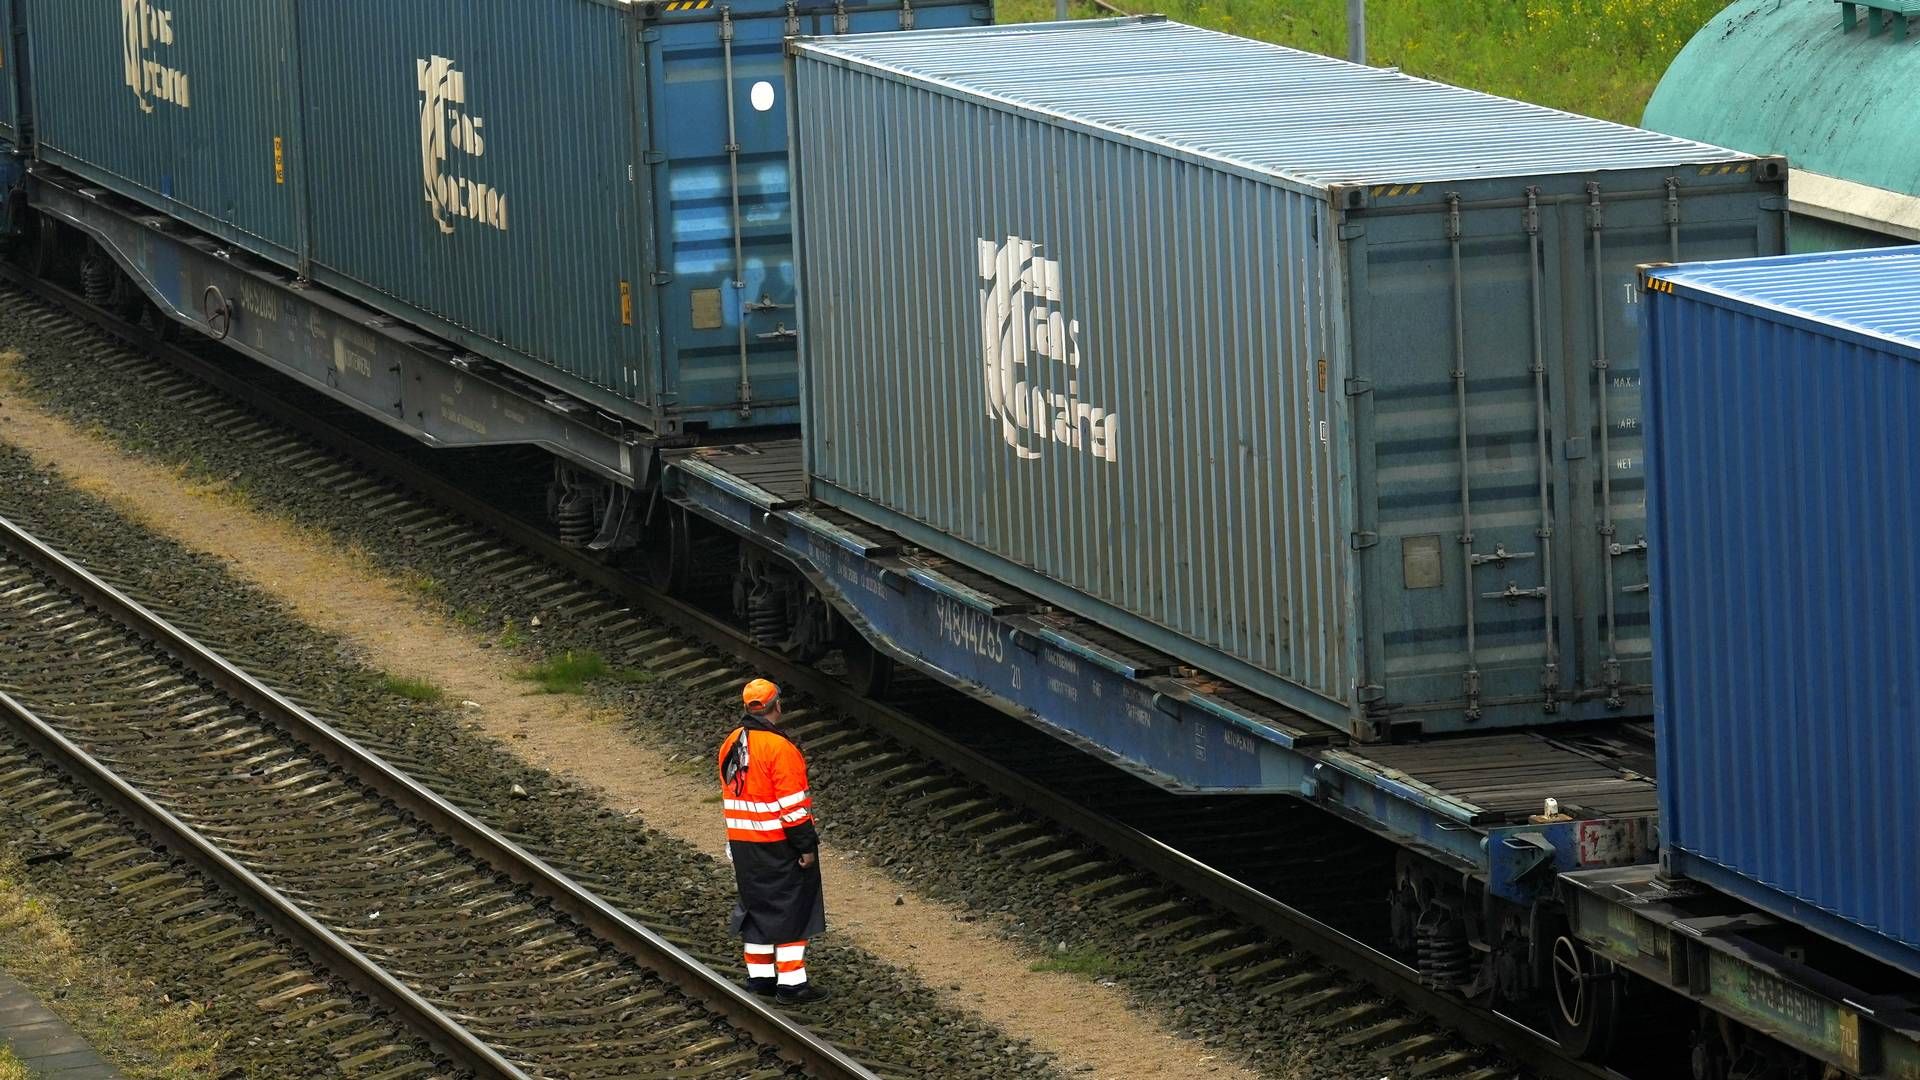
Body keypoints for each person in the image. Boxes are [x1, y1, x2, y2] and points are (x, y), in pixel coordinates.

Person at [718, 678, 828, 1004]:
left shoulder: (731, 744)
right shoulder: (781, 749)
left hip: (742, 841)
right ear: (777, 705)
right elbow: (793, 808)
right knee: (792, 909)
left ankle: (761, 979)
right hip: (777, 842)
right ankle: (793, 985)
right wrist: (805, 846)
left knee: (756, 906)